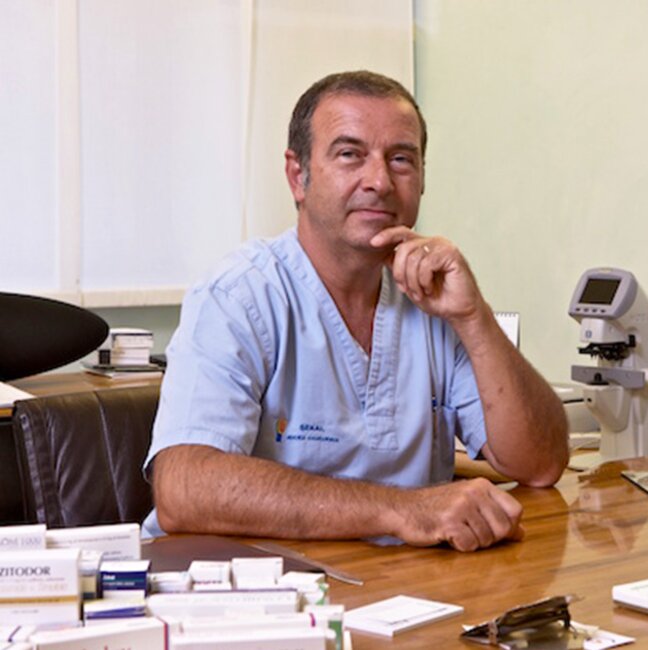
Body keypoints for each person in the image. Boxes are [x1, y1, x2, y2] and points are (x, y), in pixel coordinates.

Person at [143, 70, 569, 552]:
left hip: (403, 592)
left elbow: (540, 463)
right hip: (260, 598)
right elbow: (184, 489)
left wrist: (475, 319)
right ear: (297, 176)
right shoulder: (239, 295)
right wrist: (404, 509)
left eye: (401, 159)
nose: (380, 181)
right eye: (350, 155)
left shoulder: (432, 297)